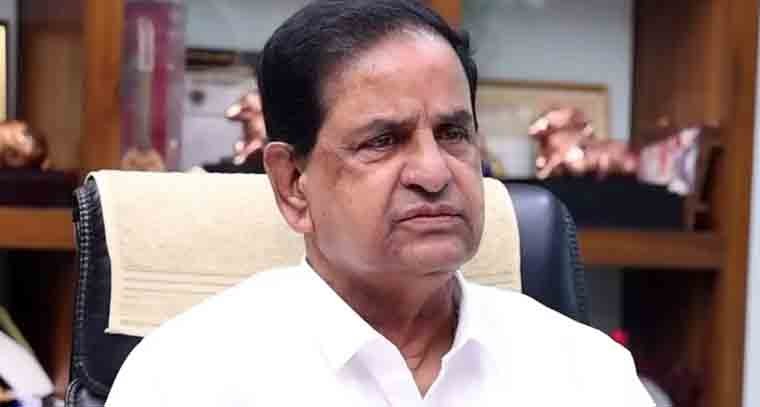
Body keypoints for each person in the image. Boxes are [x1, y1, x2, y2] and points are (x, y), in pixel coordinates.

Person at [106, 1, 654, 405]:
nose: (434, 173)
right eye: (383, 141)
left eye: (453, 134)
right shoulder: (186, 378)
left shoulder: (585, 372)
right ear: (293, 183)